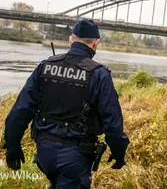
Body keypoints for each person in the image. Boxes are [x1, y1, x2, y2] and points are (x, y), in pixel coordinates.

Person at [4, 19, 129, 188]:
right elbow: (112, 121)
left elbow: (21, 110)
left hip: (44, 151)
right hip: (75, 158)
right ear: (95, 43)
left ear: (71, 40)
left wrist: (12, 145)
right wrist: (119, 151)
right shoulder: (99, 74)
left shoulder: (45, 66)